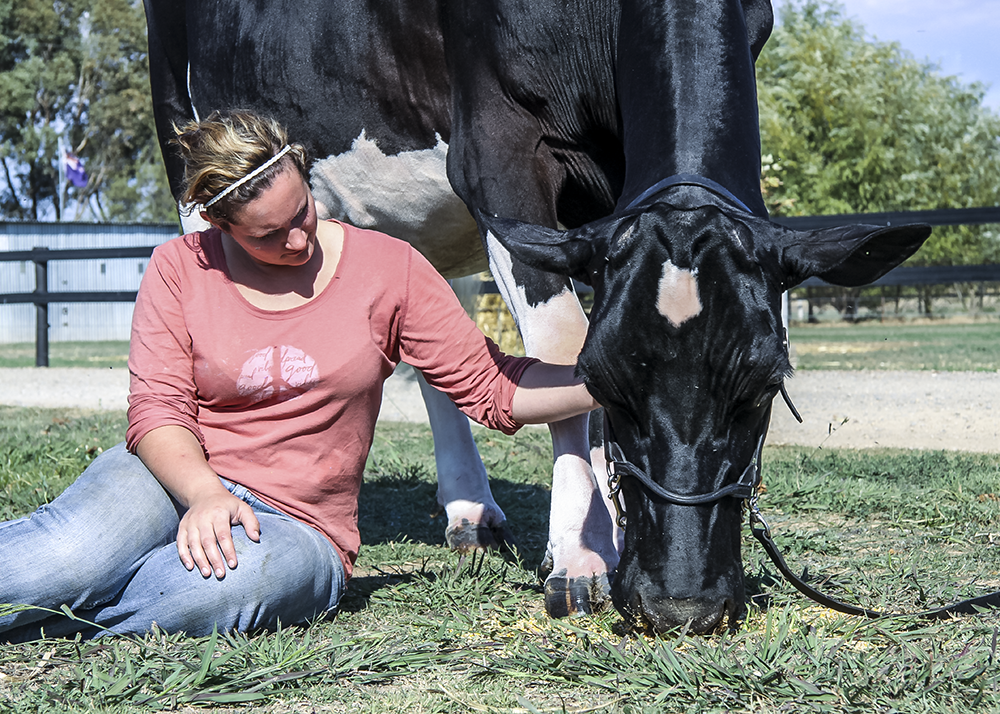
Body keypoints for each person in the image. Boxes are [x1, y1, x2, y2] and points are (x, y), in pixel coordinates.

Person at [0, 111, 597, 642]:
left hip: (299, 525)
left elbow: (492, 387)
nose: (299, 238)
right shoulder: (180, 267)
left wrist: (610, 378)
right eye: (268, 234)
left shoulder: (390, 269)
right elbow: (157, 412)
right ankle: (72, 588)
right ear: (216, 222)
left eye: (303, 209)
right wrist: (205, 494)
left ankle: (66, 613)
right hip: (172, 477)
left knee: (203, 595)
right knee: (64, 560)